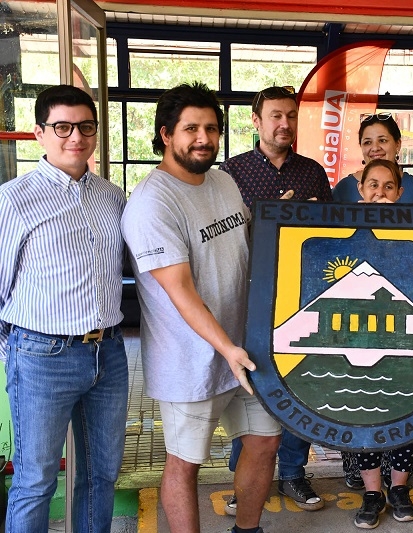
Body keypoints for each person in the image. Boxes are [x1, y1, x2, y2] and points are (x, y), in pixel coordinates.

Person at [121, 82, 282, 533]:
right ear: (166, 133)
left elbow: (247, 248)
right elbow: (181, 292)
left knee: (265, 442)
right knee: (185, 462)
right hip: (190, 361)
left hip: (245, 350)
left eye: (211, 128)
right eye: (191, 128)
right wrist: (226, 349)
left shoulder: (223, 181)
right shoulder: (153, 203)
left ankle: (246, 529)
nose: (203, 138)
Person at [0, 84, 128, 533]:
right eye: (62, 127)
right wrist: (18, 349)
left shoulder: (111, 197)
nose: (76, 136)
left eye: (85, 127)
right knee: (35, 480)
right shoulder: (13, 199)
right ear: (40, 133)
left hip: (109, 354)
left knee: (101, 475)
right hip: (41, 357)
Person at [219, 85, 328, 514]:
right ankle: (243, 482)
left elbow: (333, 236)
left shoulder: (313, 172)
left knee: (299, 385)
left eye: (291, 116)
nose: (285, 124)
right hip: (250, 299)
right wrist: (265, 212)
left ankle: (294, 474)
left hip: (303, 297)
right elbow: (222, 238)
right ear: (256, 121)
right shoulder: (230, 173)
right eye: (276, 116)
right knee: (253, 387)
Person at [350, 158, 413, 529]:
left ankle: (399, 488)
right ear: (360, 190)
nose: (380, 192)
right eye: (373, 185)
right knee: (363, 409)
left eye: (388, 186)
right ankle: (372, 491)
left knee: (405, 408)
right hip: (357, 336)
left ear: (400, 192)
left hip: (400, 334)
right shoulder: (340, 224)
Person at [332, 112, 413, 204]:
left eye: (382, 140)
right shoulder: (343, 188)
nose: (375, 148)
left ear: (398, 144)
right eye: (367, 142)